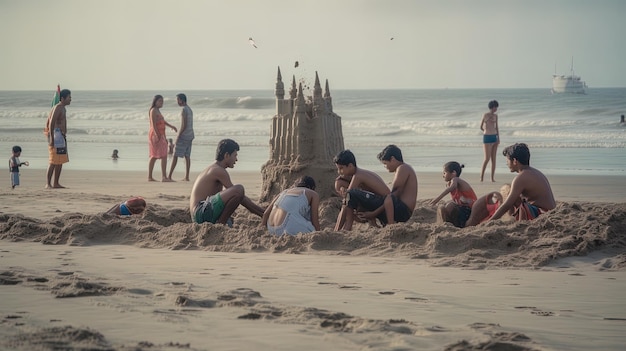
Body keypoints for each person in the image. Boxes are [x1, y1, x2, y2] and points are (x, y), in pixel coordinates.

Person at [471, 143, 556, 224]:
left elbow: (507, 205)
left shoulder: (521, 178)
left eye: (507, 160)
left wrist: (490, 221)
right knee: (513, 191)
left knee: (507, 190)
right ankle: (513, 218)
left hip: (540, 214)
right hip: (550, 212)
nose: (506, 163)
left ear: (514, 161)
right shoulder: (534, 172)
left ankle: (512, 219)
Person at [190, 139, 265, 225]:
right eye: (235, 155)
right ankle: (221, 223)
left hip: (202, 212)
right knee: (238, 189)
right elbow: (239, 195)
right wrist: (262, 213)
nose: (236, 159)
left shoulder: (215, 168)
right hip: (201, 212)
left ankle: (222, 222)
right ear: (226, 155)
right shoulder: (218, 170)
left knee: (234, 196)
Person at [358, 145, 418, 226]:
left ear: (392, 159)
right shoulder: (404, 168)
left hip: (403, 211)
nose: (385, 167)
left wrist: (374, 213)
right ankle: (375, 223)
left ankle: (389, 224)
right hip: (404, 210)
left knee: (372, 199)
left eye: (385, 163)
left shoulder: (402, 168)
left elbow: (392, 196)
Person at [333, 149, 390, 231]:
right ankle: (373, 225)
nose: (339, 172)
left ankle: (345, 228)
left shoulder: (358, 176)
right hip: (383, 205)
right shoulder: (360, 173)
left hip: (387, 207)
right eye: (338, 169)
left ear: (350, 166)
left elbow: (347, 200)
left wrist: (373, 214)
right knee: (352, 199)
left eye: (341, 168)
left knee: (348, 199)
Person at [429, 161, 477, 227]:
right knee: (443, 207)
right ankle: (446, 223)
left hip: (469, 210)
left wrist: (437, 199)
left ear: (453, 173)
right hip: (462, 209)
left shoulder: (456, 180)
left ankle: (457, 225)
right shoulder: (450, 183)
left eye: (444, 173)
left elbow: (452, 187)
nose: (443, 175)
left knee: (450, 205)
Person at [45, 89, 71, 189]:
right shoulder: (58, 108)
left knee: (60, 160)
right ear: (63, 98)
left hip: (61, 136)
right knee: (53, 160)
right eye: (69, 97)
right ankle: (48, 183)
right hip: (55, 136)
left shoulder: (63, 108)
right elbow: (51, 123)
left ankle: (56, 183)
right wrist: (51, 137)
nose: (70, 99)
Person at [147, 95, 177, 182]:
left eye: (162, 101)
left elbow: (163, 121)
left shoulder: (158, 111)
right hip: (156, 134)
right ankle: (163, 177)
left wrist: (171, 126)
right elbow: (153, 124)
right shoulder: (153, 110)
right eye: (160, 101)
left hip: (161, 134)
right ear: (155, 101)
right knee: (160, 155)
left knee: (157, 155)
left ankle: (152, 177)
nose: (161, 102)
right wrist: (158, 135)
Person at [168, 93, 195, 181]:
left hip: (184, 136)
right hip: (190, 135)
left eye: (177, 100)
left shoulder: (184, 110)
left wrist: (178, 135)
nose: (177, 102)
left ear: (181, 100)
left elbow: (184, 125)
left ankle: (169, 176)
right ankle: (187, 177)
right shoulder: (190, 109)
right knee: (187, 156)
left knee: (175, 155)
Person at [480, 100, 500, 182]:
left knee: (493, 159)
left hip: (494, 137)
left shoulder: (496, 116)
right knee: (487, 158)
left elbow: (497, 127)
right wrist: (486, 131)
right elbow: (481, 126)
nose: (496, 109)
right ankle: (482, 177)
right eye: (495, 107)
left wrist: (498, 138)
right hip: (487, 137)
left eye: (497, 107)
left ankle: (492, 178)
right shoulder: (485, 115)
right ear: (492, 107)